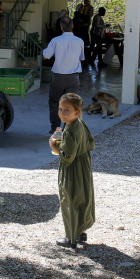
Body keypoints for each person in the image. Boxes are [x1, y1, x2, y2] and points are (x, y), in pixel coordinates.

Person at [48, 92, 95, 249]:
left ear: (77, 112)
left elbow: (67, 156)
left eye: (66, 110)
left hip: (72, 171)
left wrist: (54, 145)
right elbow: (90, 143)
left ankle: (71, 238)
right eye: (60, 109)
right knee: (82, 198)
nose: (62, 113)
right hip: (84, 168)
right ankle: (80, 231)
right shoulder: (80, 124)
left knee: (70, 200)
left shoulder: (70, 130)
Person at [42, 17, 85, 134]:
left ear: (61, 28)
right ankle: (69, 128)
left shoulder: (55, 40)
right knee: (71, 103)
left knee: (55, 102)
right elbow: (81, 58)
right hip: (73, 78)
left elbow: (46, 56)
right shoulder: (80, 41)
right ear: (73, 26)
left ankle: (55, 128)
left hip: (58, 77)